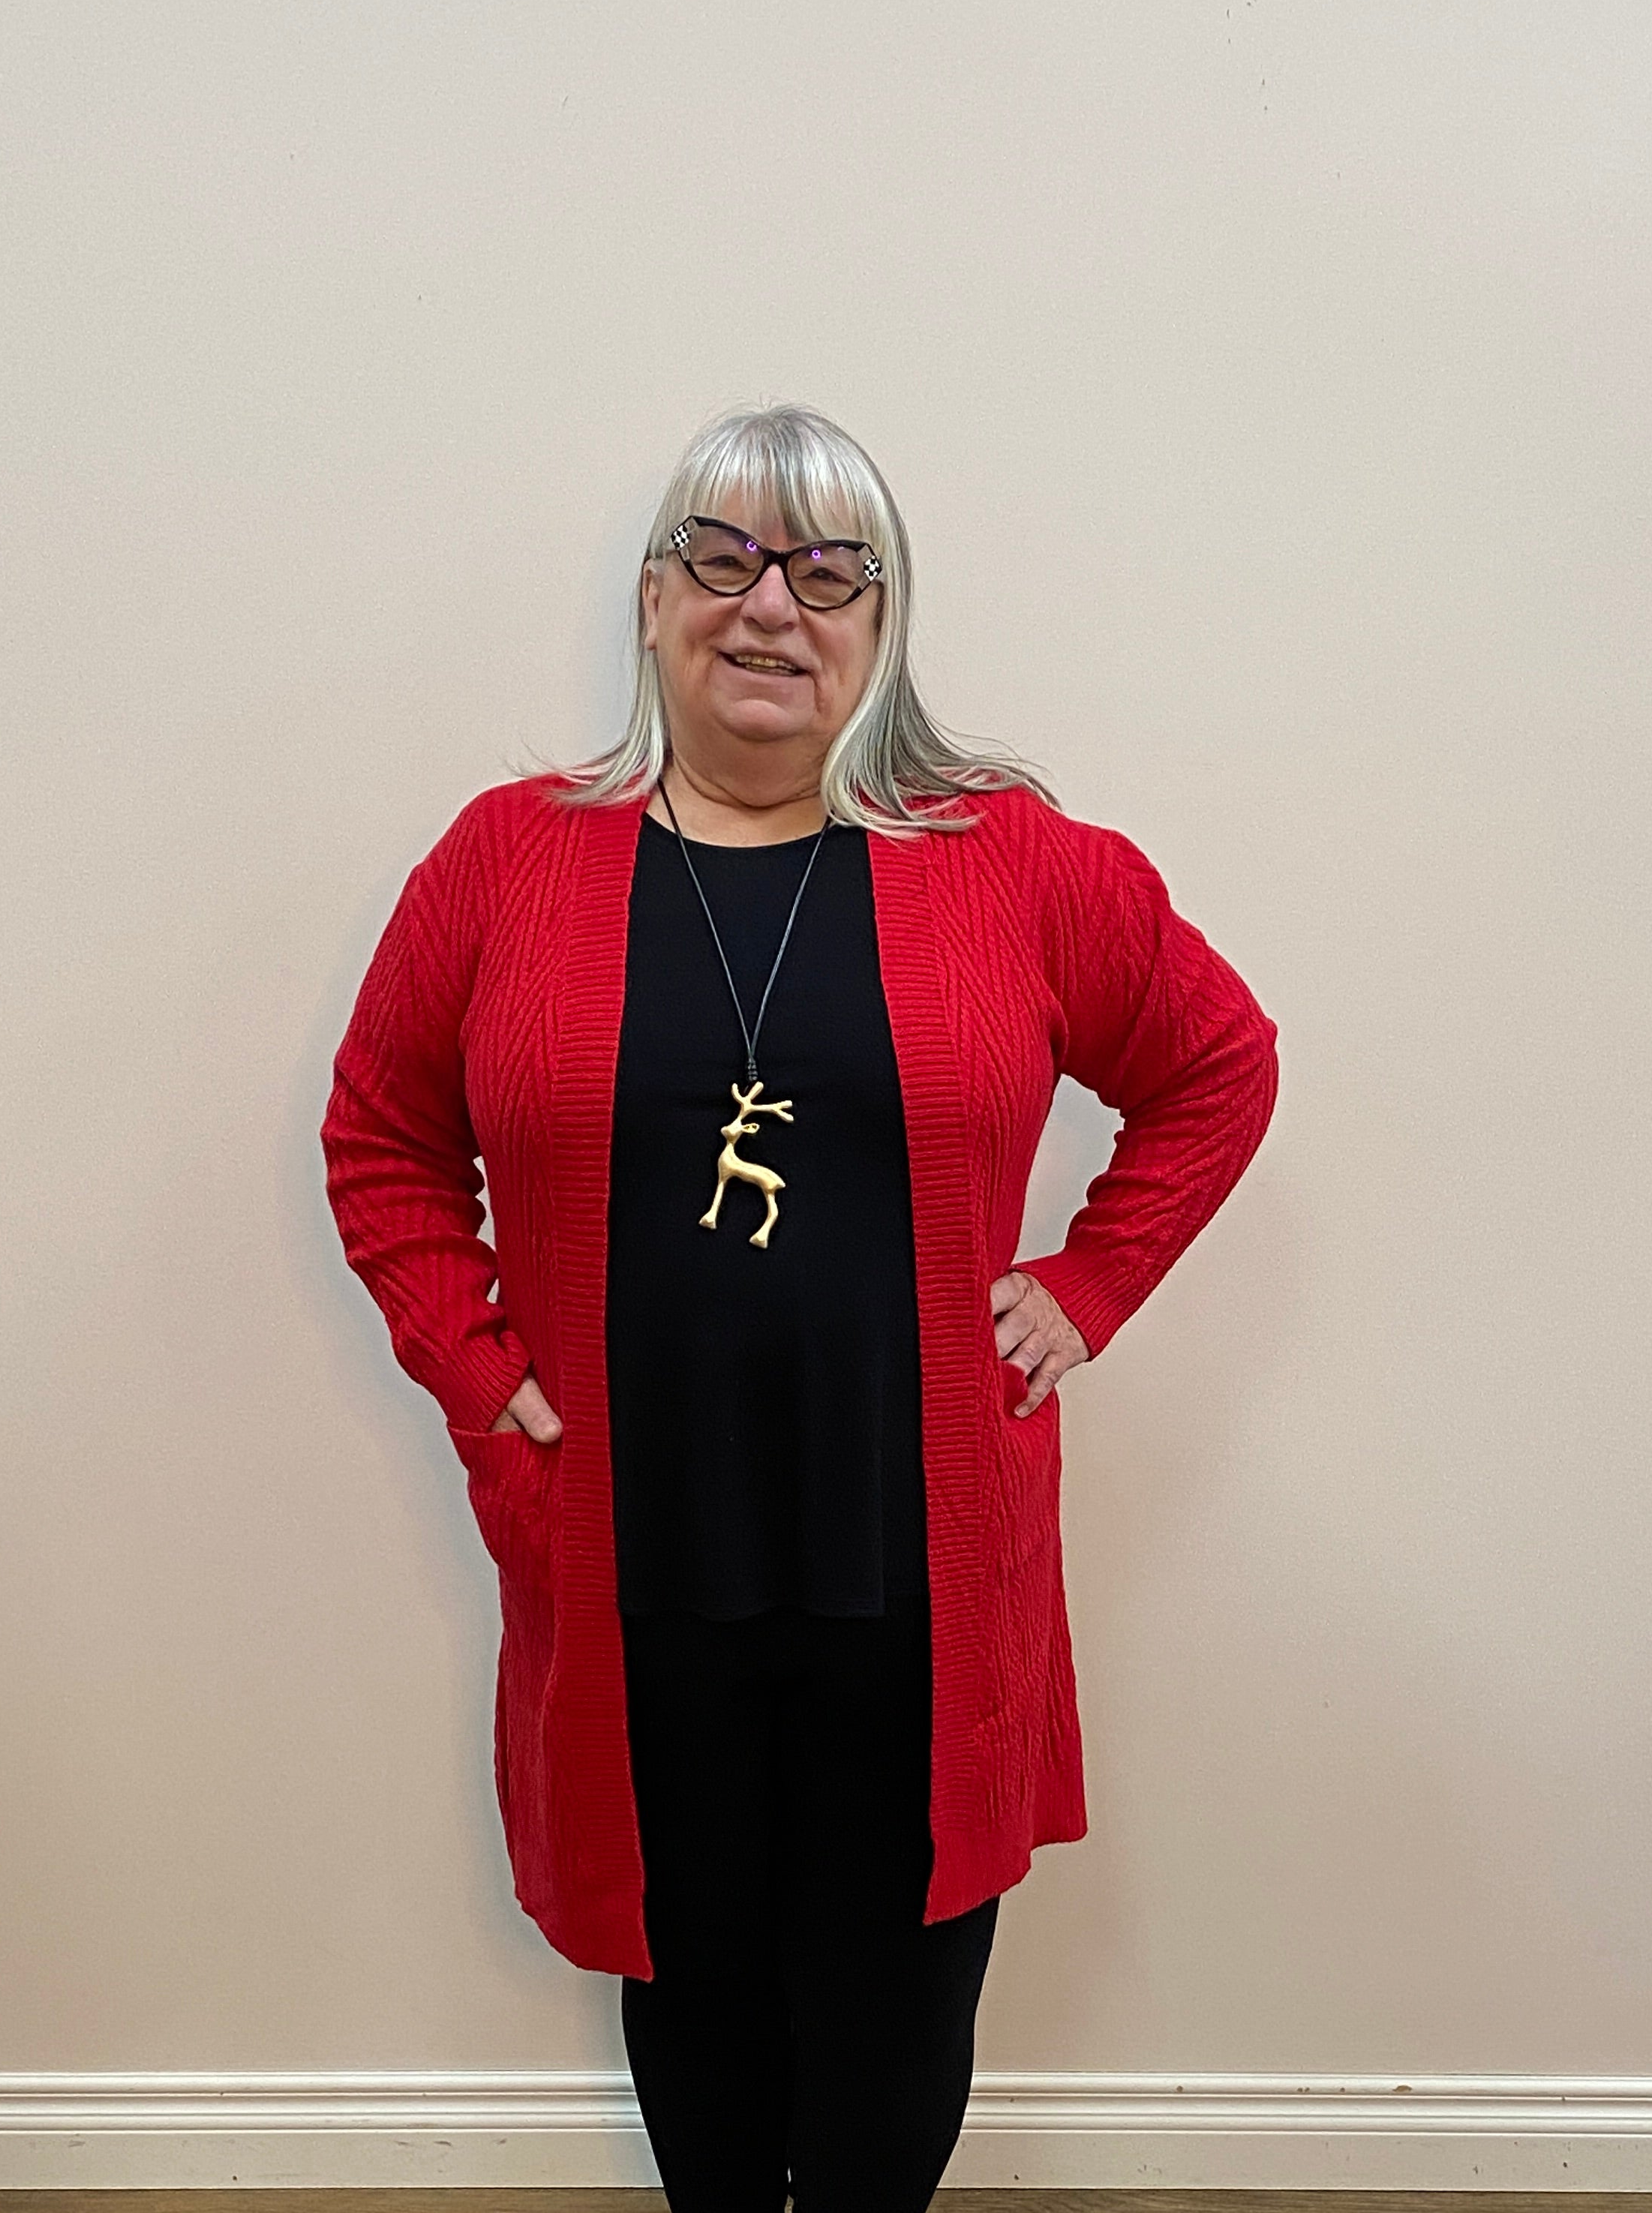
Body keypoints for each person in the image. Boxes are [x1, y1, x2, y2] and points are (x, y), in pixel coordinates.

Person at [320, 403, 1280, 2213]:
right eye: (724, 558)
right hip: (628, 1554)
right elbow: (380, 1134)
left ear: (884, 619)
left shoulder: (1010, 862)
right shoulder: (506, 862)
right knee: (687, 2002)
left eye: (830, 571)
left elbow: (1216, 1062)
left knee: (897, 2012)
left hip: (914, 1568)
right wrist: (474, 1366)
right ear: (655, 597)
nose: (773, 607)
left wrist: (1089, 1283)